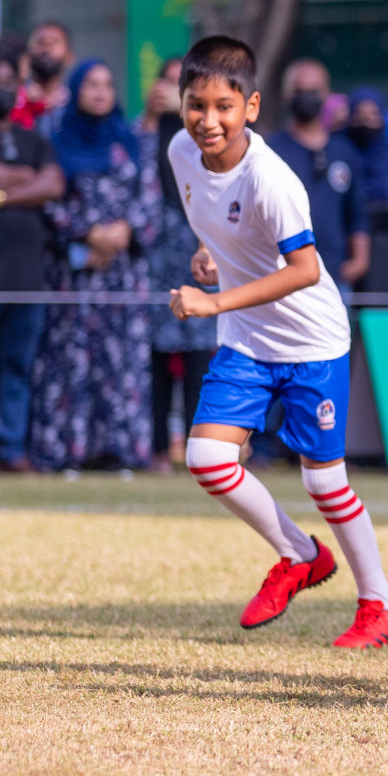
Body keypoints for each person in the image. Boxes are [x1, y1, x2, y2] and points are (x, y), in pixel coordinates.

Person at [165, 35, 388, 647]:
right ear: (181, 105)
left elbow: (304, 269)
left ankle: (383, 605)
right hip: (249, 338)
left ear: (250, 107)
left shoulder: (272, 179)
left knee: (324, 482)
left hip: (312, 340)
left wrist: (215, 300)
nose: (208, 120)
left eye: (224, 107)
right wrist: (209, 253)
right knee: (207, 459)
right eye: (197, 105)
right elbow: (214, 222)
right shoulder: (180, 151)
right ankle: (300, 554)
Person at [31, 59, 158, 472]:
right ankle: (68, 450)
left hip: (123, 272)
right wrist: (87, 233)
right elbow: (47, 198)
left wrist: (122, 231)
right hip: (74, 271)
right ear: (76, 89)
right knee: (71, 359)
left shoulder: (131, 140)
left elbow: (150, 197)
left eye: (107, 84)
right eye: (91, 84)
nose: (100, 92)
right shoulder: (56, 139)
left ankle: (119, 451)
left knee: (121, 362)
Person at [0, 44, 64, 474]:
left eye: (8, 82)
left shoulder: (33, 138)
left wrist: (0, 195)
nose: (1, 88)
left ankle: (10, 447)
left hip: (26, 274)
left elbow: (54, 184)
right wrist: (28, 178)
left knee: (16, 366)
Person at [141, 56, 218, 473]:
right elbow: (132, 165)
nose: (170, 91)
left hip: (199, 249)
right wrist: (154, 118)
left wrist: (188, 111)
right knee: (154, 357)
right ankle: (154, 449)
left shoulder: (209, 130)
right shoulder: (144, 129)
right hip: (153, 255)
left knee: (199, 357)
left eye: (181, 84)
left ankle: (198, 448)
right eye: (166, 82)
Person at [268, 60, 370, 292]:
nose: (307, 97)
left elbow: (357, 213)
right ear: (287, 95)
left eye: (314, 91)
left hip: (335, 275)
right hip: (283, 274)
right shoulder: (270, 150)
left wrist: (359, 261)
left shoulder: (344, 151)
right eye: (300, 91)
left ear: (327, 94)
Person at [345, 87, 388, 296]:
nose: (366, 122)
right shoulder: (341, 156)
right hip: (346, 247)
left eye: (373, 116)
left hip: (385, 248)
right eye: (360, 116)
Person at [15, 20, 74, 131]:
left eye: (54, 42)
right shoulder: (15, 100)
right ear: (27, 54)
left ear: (70, 57)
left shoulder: (76, 104)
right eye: (40, 42)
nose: (46, 48)